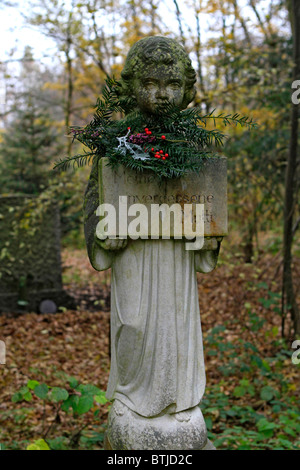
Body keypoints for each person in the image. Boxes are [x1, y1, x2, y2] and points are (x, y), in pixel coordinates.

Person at [83, 36, 221, 447]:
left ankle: (180, 404)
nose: (161, 93)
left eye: (171, 84)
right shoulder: (115, 142)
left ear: (185, 88)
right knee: (135, 324)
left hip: (175, 261)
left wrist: (206, 235)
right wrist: (107, 233)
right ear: (132, 85)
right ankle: (130, 402)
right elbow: (95, 204)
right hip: (134, 259)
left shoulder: (192, 144)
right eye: (150, 82)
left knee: (177, 326)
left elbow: (210, 214)